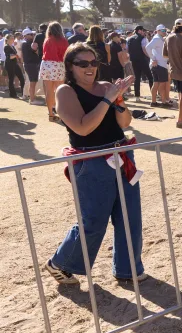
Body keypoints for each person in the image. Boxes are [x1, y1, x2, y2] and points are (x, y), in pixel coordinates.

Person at [46, 43, 147, 285]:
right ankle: (60, 263)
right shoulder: (65, 91)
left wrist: (118, 99)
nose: (90, 67)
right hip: (91, 160)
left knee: (129, 216)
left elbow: (124, 122)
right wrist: (107, 99)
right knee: (93, 220)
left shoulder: (105, 87)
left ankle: (128, 268)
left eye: (93, 62)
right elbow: (83, 128)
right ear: (70, 66)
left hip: (121, 153)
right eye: (83, 63)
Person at [40, 22, 69, 121]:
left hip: (46, 64)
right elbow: (66, 54)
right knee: (59, 90)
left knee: (49, 91)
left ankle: (51, 113)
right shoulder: (63, 40)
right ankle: (61, 112)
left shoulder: (47, 40)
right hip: (58, 64)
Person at [126, 25, 152, 102]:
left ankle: (137, 96)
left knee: (137, 78)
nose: (144, 32)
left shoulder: (129, 38)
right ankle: (153, 94)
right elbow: (144, 49)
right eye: (143, 31)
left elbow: (127, 50)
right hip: (142, 59)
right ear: (139, 31)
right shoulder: (143, 38)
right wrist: (150, 57)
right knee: (150, 77)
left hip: (134, 60)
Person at [146, 24, 170, 107]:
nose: (164, 32)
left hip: (158, 64)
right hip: (160, 65)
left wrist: (153, 59)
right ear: (158, 31)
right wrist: (153, 58)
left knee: (156, 83)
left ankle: (154, 102)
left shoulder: (159, 38)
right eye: (163, 30)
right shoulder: (157, 38)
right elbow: (147, 47)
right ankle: (163, 102)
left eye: (165, 30)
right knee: (162, 84)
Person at [20, 28, 42, 105]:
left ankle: (32, 98)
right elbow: (36, 51)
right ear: (25, 36)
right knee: (32, 83)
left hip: (29, 64)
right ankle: (32, 100)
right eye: (31, 34)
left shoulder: (25, 43)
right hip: (31, 65)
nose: (33, 36)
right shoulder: (29, 43)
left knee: (32, 82)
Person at [4, 34, 25, 99]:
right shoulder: (6, 47)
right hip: (9, 64)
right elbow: (10, 56)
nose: (13, 39)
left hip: (14, 63)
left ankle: (24, 93)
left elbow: (14, 55)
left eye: (13, 38)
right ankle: (12, 94)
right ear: (7, 40)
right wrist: (16, 56)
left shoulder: (12, 46)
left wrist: (17, 57)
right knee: (11, 79)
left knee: (21, 78)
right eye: (11, 38)